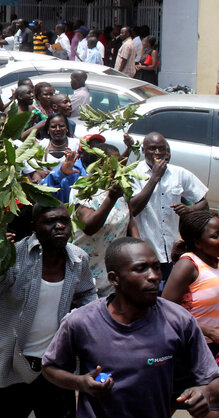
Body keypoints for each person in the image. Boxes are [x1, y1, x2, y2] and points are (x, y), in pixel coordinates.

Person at [42, 237, 219, 417]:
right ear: (114, 278)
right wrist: (80, 383)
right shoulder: (81, 321)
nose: (154, 276)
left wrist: (204, 393)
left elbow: (212, 378)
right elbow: (50, 368)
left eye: (156, 267)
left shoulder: (179, 320)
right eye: (140, 269)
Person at [0, 204, 96, 417]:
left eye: (64, 221)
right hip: (10, 366)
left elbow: (87, 293)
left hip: (56, 368)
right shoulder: (13, 256)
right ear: (34, 227)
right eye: (51, 221)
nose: (60, 226)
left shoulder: (78, 259)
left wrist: (84, 322)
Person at [129, 132, 208, 283]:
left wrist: (190, 209)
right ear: (143, 150)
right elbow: (133, 209)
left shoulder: (179, 173)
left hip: (172, 251)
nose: (158, 153)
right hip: (146, 250)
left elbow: (203, 202)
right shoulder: (133, 174)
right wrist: (154, 178)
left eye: (162, 149)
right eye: (152, 149)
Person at [71, 143, 139, 296]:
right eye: (116, 162)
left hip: (111, 272)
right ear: (101, 165)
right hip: (85, 271)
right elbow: (89, 227)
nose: (120, 167)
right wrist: (111, 198)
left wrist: (139, 249)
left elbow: (131, 218)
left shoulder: (121, 187)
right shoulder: (84, 188)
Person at [163, 210, 219, 365]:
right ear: (197, 242)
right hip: (191, 348)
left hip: (213, 346)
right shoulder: (188, 265)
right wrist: (209, 331)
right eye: (215, 236)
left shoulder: (216, 261)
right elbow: (166, 312)